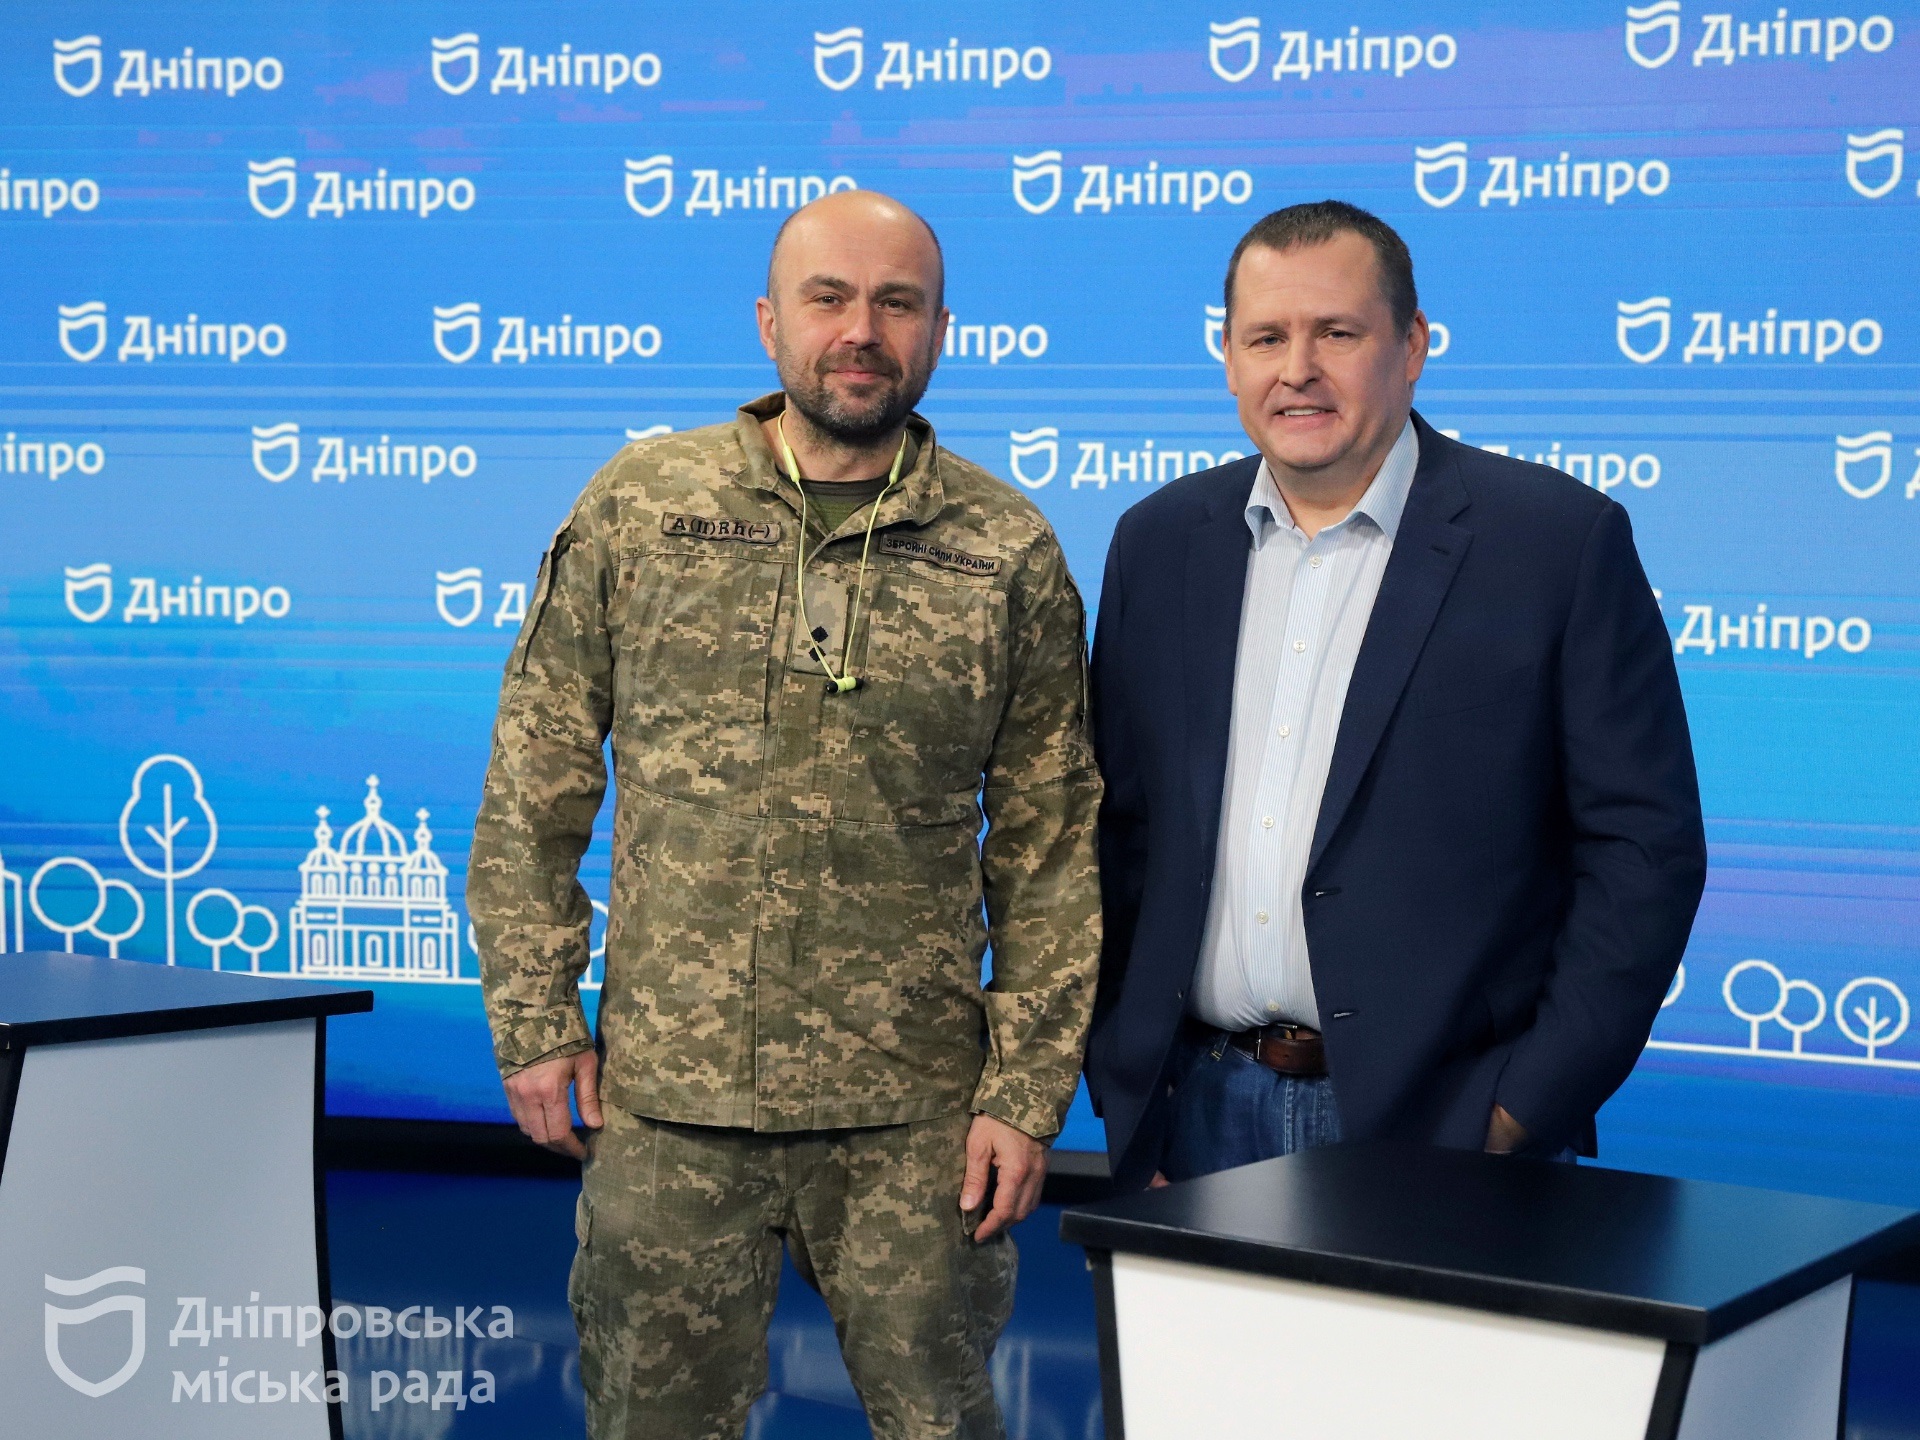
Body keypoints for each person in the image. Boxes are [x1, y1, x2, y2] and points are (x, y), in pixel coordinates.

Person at [467, 189, 1100, 1439]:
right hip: (671, 1105)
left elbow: (1052, 844)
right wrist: (535, 1022)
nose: (861, 331)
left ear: (940, 331)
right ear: (771, 322)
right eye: (829, 299)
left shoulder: (1005, 549)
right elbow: (536, 780)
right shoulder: (644, 505)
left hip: (915, 1121)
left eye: (897, 304)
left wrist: (1026, 1093)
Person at [1084, 200, 1706, 1190]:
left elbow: (1644, 850)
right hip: (1192, 1117)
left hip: (1444, 1127)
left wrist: (1516, 1110)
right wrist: (1129, 1096)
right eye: (1266, 337)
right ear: (1228, 357)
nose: (1298, 368)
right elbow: (1115, 830)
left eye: (1337, 333)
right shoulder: (1157, 543)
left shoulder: (1554, 543)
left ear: (1412, 345)